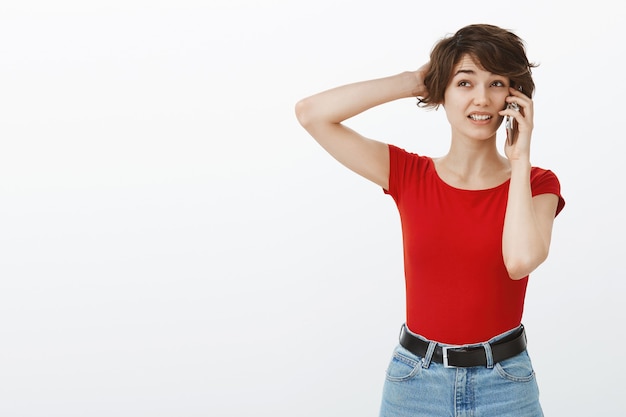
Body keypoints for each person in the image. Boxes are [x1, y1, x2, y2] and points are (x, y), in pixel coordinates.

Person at [294, 23, 565, 416]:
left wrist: (520, 160)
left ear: (515, 96)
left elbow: (520, 261)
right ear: (443, 91)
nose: (482, 99)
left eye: (496, 83)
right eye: (465, 83)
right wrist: (412, 81)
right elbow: (311, 114)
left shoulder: (537, 183)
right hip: (415, 384)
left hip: (506, 386)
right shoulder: (408, 174)